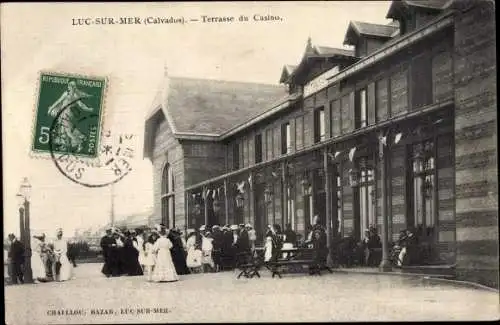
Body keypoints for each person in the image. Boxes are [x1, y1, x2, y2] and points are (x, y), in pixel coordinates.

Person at [47, 80, 93, 153]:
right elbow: (81, 105)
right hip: (67, 114)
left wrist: (51, 109)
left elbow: (58, 102)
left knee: (68, 131)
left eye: (70, 86)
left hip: (66, 114)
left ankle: (79, 142)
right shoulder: (74, 95)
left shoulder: (67, 94)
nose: (69, 87)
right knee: (64, 129)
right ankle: (66, 144)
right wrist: (88, 109)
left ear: (71, 87)